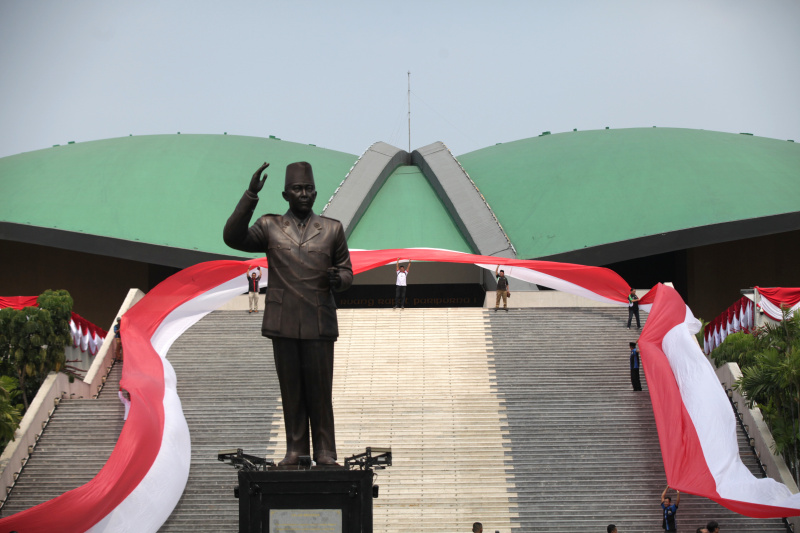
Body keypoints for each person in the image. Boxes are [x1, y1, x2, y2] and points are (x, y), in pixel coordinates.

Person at [224, 161, 353, 466]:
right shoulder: (269, 226)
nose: (304, 194)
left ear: (316, 192)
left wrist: (339, 279)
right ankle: (296, 450)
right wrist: (250, 196)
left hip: (318, 319)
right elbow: (232, 237)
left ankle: (325, 451)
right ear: (285, 194)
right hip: (283, 321)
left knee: (320, 393)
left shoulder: (332, 229)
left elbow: (347, 271)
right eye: (297, 189)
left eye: (308, 188)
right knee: (291, 390)